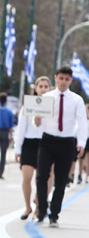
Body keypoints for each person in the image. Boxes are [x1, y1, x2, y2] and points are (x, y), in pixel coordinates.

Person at [35, 66, 88, 226]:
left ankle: (54, 214)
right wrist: (36, 120)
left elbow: (82, 122)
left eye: (67, 79)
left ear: (70, 80)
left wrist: (81, 143)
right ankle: (41, 210)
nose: (64, 82)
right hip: (47, 140)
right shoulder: (47, 97)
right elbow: (38, 119)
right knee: (42, 176)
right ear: (56, 77)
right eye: (61, 78)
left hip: (66, 142)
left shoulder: (76, 100)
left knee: (61, 180)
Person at [13, 77, 51, 218]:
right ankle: (27, 206)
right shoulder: (27, 105)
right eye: (40, 86)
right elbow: (21, 127)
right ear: (36, 88)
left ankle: (38, 206)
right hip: (29, 143)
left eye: (46, 86)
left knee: (40, 179)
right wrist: (18, 148)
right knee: (26, 178)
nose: (43, 88)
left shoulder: (51, 105)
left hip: (44, 144)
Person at [0, 92, 15, 179]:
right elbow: (11, 126)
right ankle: (0, 172)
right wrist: (11, 136)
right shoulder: (9, 112)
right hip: (5, 133)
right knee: (3, 154)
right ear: (6, 101)